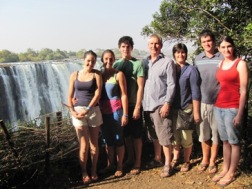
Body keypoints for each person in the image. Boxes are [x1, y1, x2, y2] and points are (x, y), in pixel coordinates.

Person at [212, 36, 248, 187]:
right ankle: (225, 168)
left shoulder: (240, 64)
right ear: (219, 49)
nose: (226, 49)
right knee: (225, 141)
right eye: (223, 47)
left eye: (229, 46)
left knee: (234, 142)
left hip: (233, 108)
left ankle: (232, 172)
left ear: (233, 47)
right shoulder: (221, 63)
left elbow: (244, 91)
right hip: (219, 106)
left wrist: (240, 113)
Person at [142, 34, 176, 177]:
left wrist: (167, 103)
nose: (154, 46)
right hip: (147, 105)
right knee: (154, 136)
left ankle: (168, 164)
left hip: (160, 105)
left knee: (165, 136)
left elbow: (171, 84)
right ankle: (158, 159)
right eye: (151, 44)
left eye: (156, 43)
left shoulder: (168, 62)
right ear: (148, 45)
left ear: (161, 45)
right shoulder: (145, 62)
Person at [67, 50, 103, 185]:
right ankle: (84, 171)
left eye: (93, 61)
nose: (90, 63)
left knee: (94, 144)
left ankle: (93, 170)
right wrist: (72, 111)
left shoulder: (97, 74)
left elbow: (98, 94)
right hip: (77, 112)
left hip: (92, 111)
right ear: (83, 60)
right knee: (83, 144)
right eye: (88, 61)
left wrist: (88, 109)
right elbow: (70, 95)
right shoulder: (74, 75)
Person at [113, 36, 145, 175]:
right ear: (120, 48)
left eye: (128, 47)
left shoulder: (138, 64)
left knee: (137, 135)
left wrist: (138, 106)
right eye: (123, 47)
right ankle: (130, 158)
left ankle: (138, 162)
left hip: (133, 104)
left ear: (132, 48)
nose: (126, 49)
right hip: (120, 107)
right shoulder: (116, 65)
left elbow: (141, 87)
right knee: (126, 135)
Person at [194, 29, 223, 174]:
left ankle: (213, 161)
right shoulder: (197, 59)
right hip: (202, 102)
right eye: (204, 41)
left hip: (218, 103)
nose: (207, 43)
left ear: (214, 41)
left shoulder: (222, 57)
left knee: (216, 134)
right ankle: (205, 159)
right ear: (201, 43)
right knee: (203, 133)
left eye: (209, 41)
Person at [171, 43, 201, 172]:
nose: (180, 55)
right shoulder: (172, 68)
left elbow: (195, 92)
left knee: (186, 136)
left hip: (186, 108)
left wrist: (196, 112)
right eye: (177, 52)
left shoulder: (191, 70)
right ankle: (175, 158)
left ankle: (186, 160)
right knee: (174, 136)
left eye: (183, 52)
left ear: (186, 54)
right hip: (173, 108)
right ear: (174, 54)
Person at [99, 49, 128, 178]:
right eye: (106, 59)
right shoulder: (99, 75)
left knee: (119, 139)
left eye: (111, 58)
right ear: (102, 60)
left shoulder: (119, 74)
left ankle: (120, 166)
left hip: (116, 112)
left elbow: (124, 95)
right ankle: (110, 165)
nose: (108, 61)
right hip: (103, 113)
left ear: (114, 59)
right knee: (108, 141)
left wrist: (125, 114)